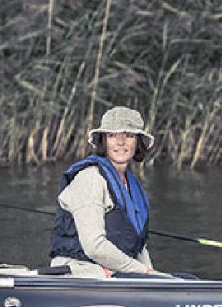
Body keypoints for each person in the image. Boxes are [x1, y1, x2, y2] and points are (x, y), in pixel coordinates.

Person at [49, 106, 160, 277]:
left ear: (138, 143)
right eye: (112, 135)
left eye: (129, 136)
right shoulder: (90, 179)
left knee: (186, 280)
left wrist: (155, 276)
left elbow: (139, 249)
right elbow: (95, 247)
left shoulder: (132, 185)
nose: (121, 142)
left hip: (119, 272)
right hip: (80, 271)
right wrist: (142, 271)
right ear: (103, 141)